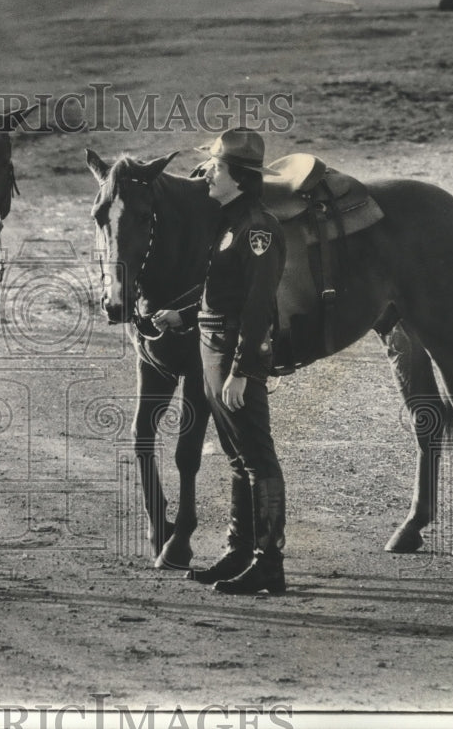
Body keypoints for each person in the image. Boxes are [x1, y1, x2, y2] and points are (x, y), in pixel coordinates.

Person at [152, 128, 288, 594]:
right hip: (211, 350)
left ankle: (270, 562)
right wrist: (182, 315)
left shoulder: (258, 230)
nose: (207, 172)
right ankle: (239, 551)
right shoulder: (229, 222)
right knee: (236, 459)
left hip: (231, 356)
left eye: (216, 166)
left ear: (239, 177)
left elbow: (256, 307)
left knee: (257, 459)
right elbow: (219, 296)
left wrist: (243, 371)